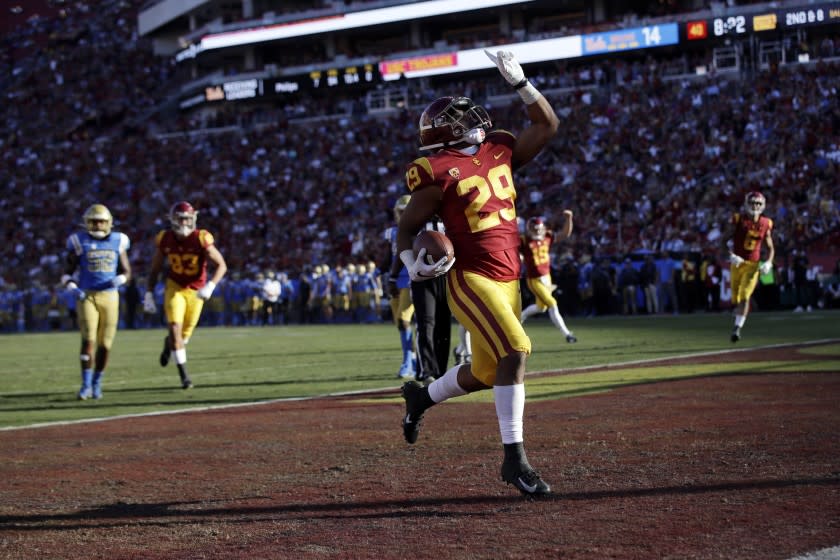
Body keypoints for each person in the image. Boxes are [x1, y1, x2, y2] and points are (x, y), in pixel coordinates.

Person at [396, 50, 560, 496]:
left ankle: (421, 398)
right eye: (461, 116)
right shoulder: (435, 173)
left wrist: (522, 83)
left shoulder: (500, 148)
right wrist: (415, 266)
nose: (475, 118)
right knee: (517, 349)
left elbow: (546, 125)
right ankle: (515, 461)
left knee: (488, 372)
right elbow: (407, 230)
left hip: (509, 275)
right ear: (446, 129)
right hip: (470, 277)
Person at [145, 201, 227, 388]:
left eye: (187, 219)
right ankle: (184, 377)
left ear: (193, 219)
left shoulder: (201, 238)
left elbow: (222, 265)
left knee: (183, 337)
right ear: (173, 220)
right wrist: (149, 293)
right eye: (180, 219)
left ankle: (169, 344)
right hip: (175, 288)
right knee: (174, 328)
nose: (183, 223)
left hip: (196, 292)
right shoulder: (165, 238)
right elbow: (155, 268)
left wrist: (211, 286)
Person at [60, 203, 131, 400]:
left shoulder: (118, 241)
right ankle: (86, 385)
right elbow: (66, 272)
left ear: (109, 223)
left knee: (105, 344)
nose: (98, 226)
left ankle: (97, 382)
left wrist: (121, 279)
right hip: (87, 296)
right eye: (94, 222)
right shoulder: (78, 241)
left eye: (101, 222)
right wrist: (72, 286)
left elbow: (127, 271)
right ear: (87, 223)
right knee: (88, 340)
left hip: (110, 295)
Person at [722, 191, 774, 342]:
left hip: (753, 265)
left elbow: (770, 247)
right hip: (737, 263)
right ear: (747, 204)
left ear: (762, 205)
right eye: (753, 203)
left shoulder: (766, 223)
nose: (755, 206)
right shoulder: (738, 219)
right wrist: (731, 255)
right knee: (735, 299)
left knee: (745, 296)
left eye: (758, 203)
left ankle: (737, 329)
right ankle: (737, 315)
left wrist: (769, 262)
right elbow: (722, 241)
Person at [519, 213, 577, 342]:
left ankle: (519, 318)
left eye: (539, 228)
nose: (538, 231)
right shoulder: (523, 240)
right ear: (529, 228)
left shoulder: (548, 236)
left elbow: (564, 234)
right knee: (552, 303)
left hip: (547, 277)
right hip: (534, 279)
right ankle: (567, 334)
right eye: (535, 229)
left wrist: (569, 219)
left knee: (541, 307)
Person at [409, 216, 452, 382]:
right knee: (426, 323)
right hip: (422, 277)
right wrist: (393, 276)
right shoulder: (414, 220)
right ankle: (427, 370)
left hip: (446, 276)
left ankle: (440, 371)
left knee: (444, 324)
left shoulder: (452, 218)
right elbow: (403, 244)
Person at [385, 195, 417, 379]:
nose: (402, 214)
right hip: (395, 279)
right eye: (400, 211)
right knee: (400, 323)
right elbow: (389, 255)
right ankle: (411, 360)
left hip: (410, 278)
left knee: (404, 320)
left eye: (405, 211)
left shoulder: (417, 230)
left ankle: (409, 362)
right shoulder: (392, 232)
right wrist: (382, 271)